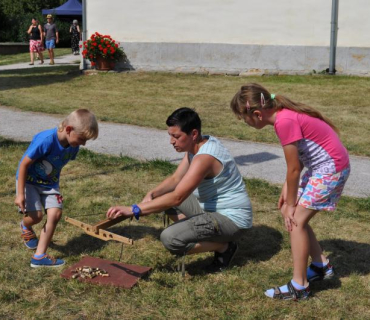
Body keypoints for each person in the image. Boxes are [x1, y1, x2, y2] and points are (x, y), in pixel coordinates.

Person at [230, 83, 350, 300]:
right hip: (322, 168)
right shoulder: (284, 116)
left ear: (256, 114)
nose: (244, 123)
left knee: (294, 220)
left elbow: (294, 168)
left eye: (243, 118)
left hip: (330, 169)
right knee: (298, 219)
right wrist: (287, 189)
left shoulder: (284, 121)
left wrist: (291, 204)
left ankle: (300, 286)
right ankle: (320, 265)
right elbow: (299, 162)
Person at [106, 108, 253, 272]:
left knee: (170, 238)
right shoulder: (197, 146)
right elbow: (176, 180)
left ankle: (224, 246)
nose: (171, 141)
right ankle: (195, 230)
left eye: (176, 136)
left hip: (232, 220)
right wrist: (152, 194)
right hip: (209, 209)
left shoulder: (205, 158)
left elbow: (177, 198)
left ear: (194, 134)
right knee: (162, 199)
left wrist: (134, 209)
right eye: (170, 135)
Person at [15, 109, 99, 267]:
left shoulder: (73, 145)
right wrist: (20, 194)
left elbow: (56, 165)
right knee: (36, 216)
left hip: (50, 184)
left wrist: (54, 190)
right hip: (29, 181)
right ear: (68, 129)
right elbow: (24, 164)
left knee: (55, 213)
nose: (83, 144)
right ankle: (25, 225)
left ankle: (39, 256)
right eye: (82, 139)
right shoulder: (46, 140)